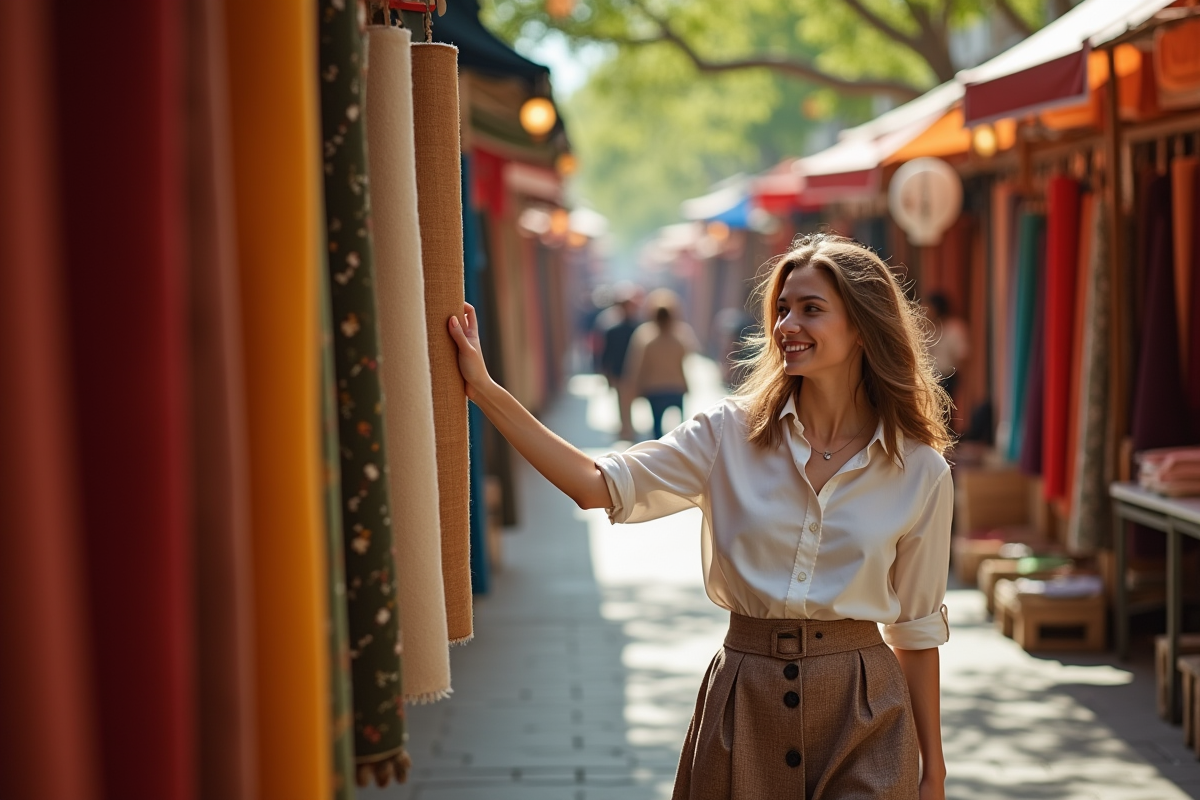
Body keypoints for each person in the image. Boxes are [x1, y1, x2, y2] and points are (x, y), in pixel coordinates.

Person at [446, 232, 954, 800]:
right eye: (782, 308)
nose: (787, 325)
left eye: (811, 309)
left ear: (863, 326)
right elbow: (595, 485)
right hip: (746, 702)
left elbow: (916, 630)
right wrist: (484, 390)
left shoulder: (920, 471)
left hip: (867, 712)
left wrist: (932, 771)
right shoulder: (726, 435)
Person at [623, 289, 699, 439]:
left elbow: (638, 365)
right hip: (676, 387)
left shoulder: (645, 336)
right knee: (680, 428)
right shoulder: (681, 335)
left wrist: (634, 387)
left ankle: (659, 457)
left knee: (657, 428)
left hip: (654, 389)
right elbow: (690, 356)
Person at [596, 284, 641, 441]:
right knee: (623, 402)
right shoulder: (613, 329)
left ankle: (628, 428)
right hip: (619, 372)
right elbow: (606, 354)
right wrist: (605, 373)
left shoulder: (639, 328)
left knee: (628, 402)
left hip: (635, 372)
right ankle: (626, 429)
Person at [925, 292, 969, 402]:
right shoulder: (928, 328)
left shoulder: (954, 329)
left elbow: (962, 355)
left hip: (948, 377)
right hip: (929, 377)